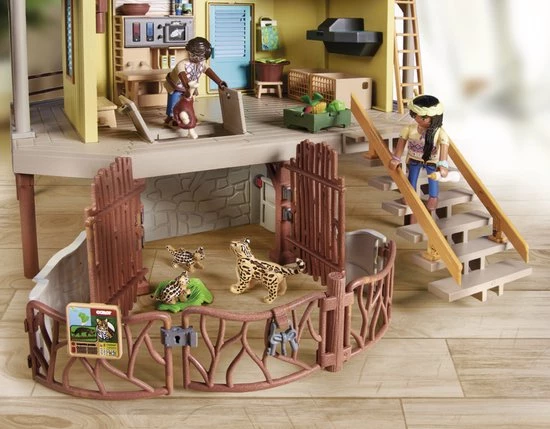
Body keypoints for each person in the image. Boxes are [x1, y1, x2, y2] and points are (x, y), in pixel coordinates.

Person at [389, 94, 449, 211]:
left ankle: (433, 197)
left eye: (422, 117)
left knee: (433, 179)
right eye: (415, 115)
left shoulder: (439, 133)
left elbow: (444, 146)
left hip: (431, 161)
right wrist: (396, 158)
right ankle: (410, 195)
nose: (417, 119)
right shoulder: (409, 129)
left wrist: (443, 165)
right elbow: (401, 143)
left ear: (434, 117)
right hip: (414, 159)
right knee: (412, 177)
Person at [163, 37, 227, 128]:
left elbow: (209, 71)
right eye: (195, 55)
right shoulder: (182, 64)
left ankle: (190, 115)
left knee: (189, 102)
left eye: (201, 57)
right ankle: (170, 118)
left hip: (190, 88)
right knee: (174, 102)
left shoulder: (202, 64)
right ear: (190, 52)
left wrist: (219, 82)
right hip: (176, 87)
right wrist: (187, 88)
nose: (198, 59)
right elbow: (182, 75)